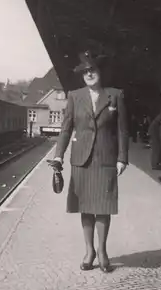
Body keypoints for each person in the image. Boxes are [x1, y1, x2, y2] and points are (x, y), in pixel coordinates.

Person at [53, 50, 129, 273]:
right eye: (85, 72)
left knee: (103, 207)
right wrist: (58, 155)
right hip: (81, 160)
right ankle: (89, 251)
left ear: (100, 72)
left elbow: (123, 130)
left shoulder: (115, 95)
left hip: (105, 159)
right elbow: (66, 129)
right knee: (85, 207)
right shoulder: (75, 96)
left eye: (92, 70)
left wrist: (122, 157)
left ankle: (103, 251)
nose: (89, 74)